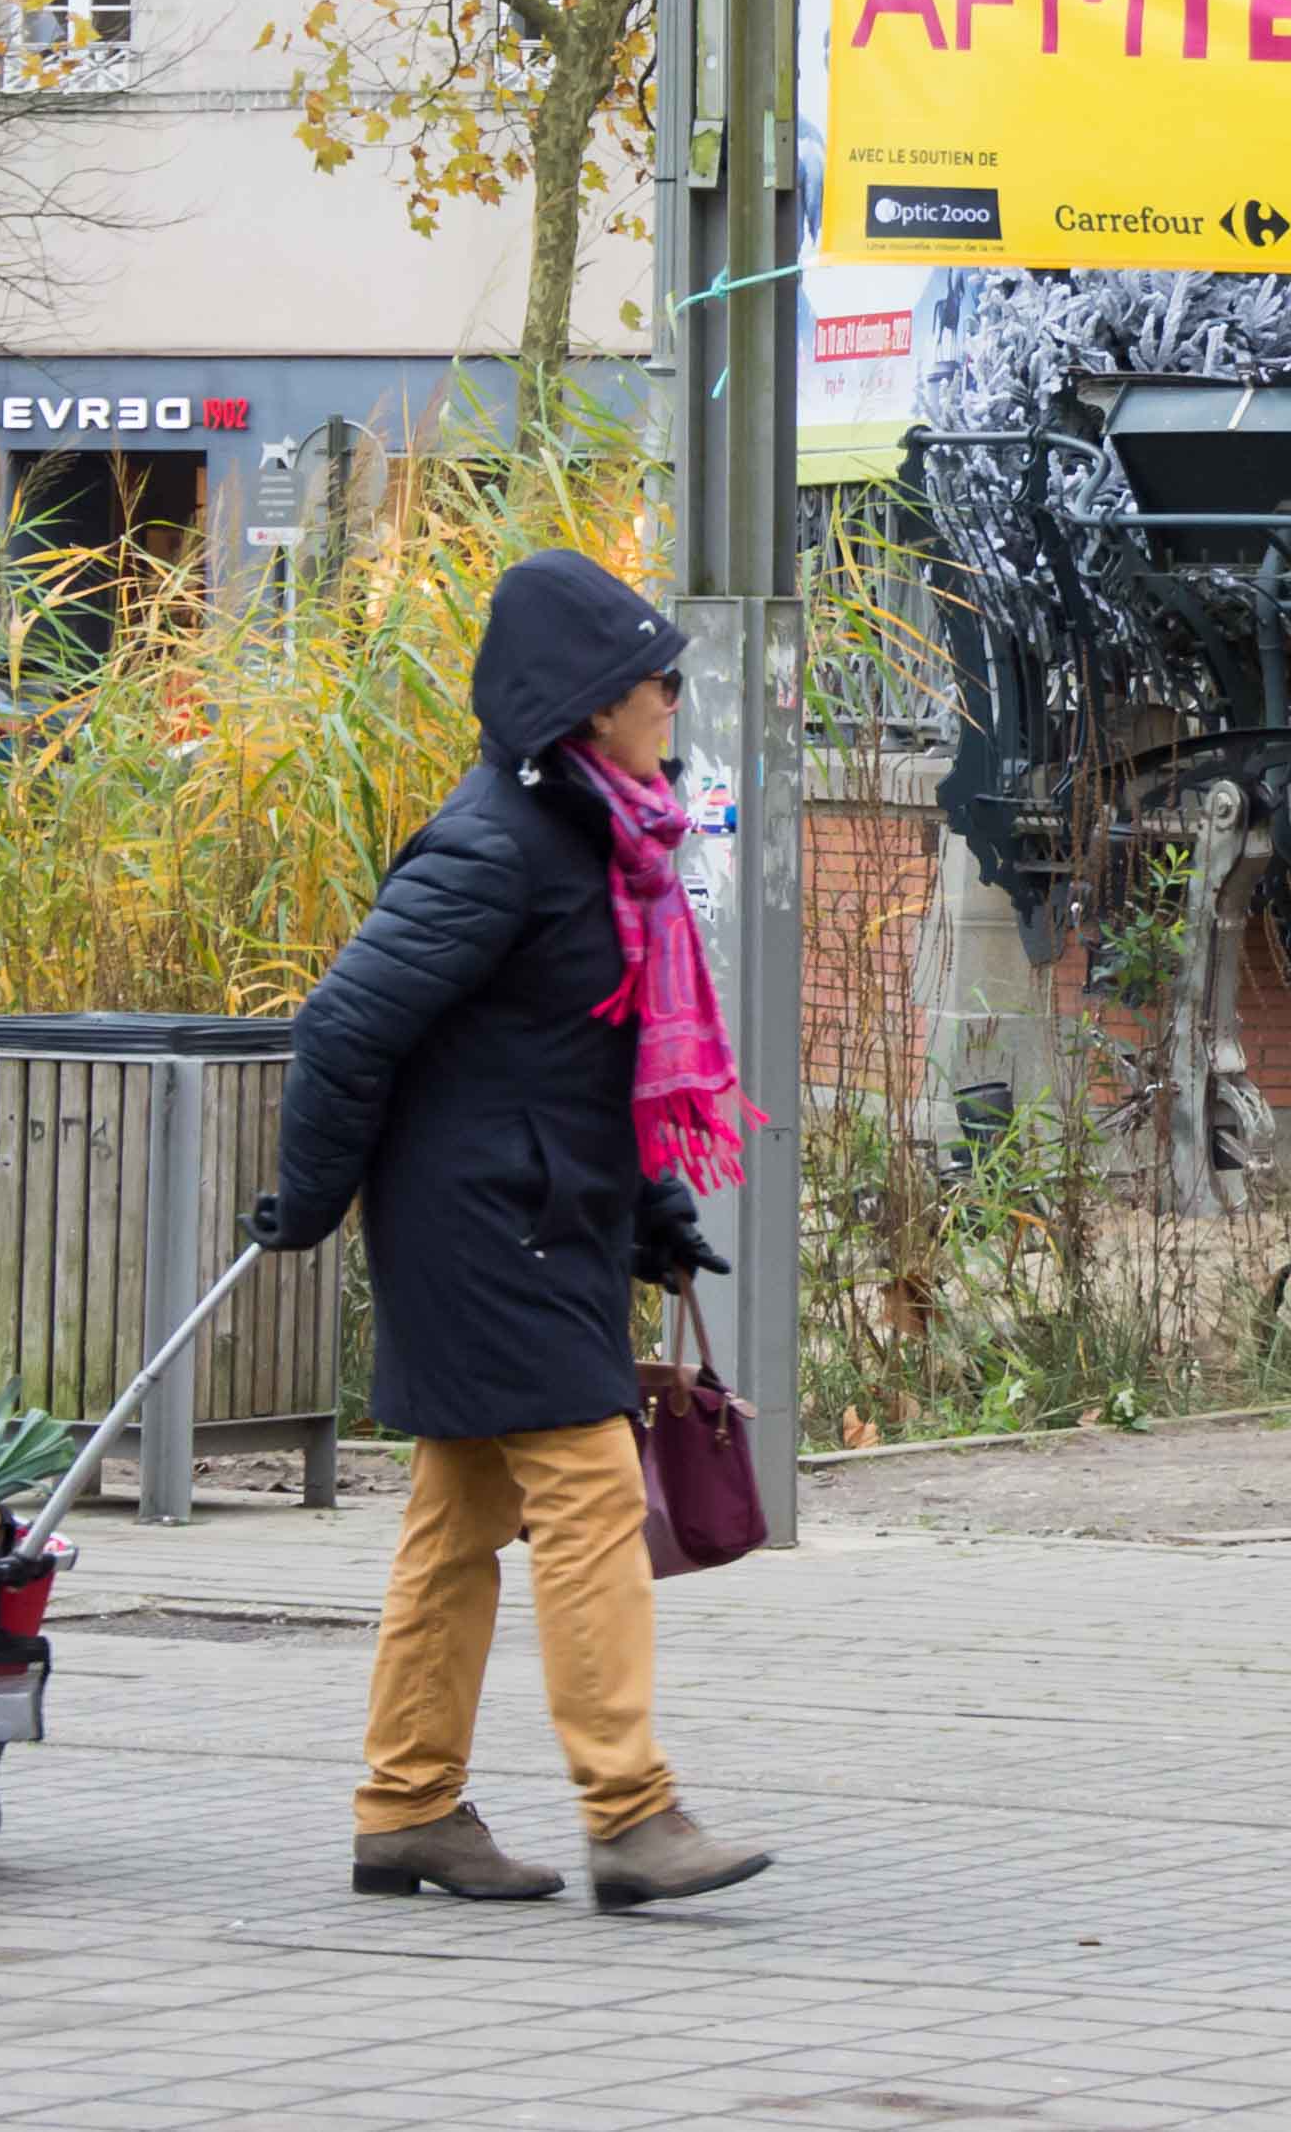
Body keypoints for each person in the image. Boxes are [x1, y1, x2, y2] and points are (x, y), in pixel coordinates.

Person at [254, 548, 771, 1912]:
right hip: (482, 1228)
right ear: (582, 701)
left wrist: (653, 1207)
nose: (672, 691)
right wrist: (305, 1201)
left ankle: (405, 1806)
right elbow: (344, 1027)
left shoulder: (602, 836)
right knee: (593, 1493)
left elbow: (573, 1055)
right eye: (648, 674)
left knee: (455, 1518)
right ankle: (631, 1810)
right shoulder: (491, 845)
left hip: (537, 1209)